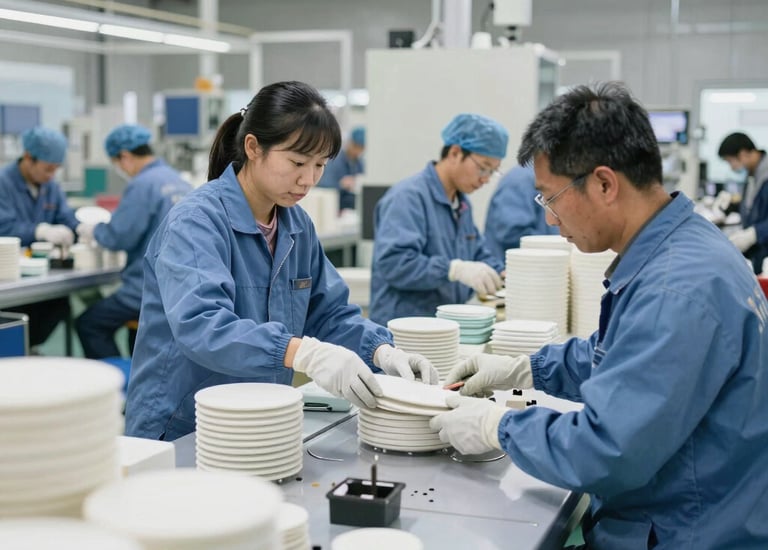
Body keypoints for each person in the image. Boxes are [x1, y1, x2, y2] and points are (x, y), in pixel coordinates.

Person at [430, 83, 768, 549]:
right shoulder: (682, 250)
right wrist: (528, 368)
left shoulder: (677, 289)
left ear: (605, 183)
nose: (549, 218)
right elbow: (626, 354)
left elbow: (606, 448)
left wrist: (497, 427)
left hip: (687, 531)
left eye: (550, 197)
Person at [124, 81, 438, 441]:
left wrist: (382, 350)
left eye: (320, 164)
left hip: (261, 417)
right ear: (253, 147)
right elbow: (203, 327)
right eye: (297, 162)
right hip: (185, 424)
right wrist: (302, 353)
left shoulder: (296, 225)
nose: (309, 180)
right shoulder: (196, 222)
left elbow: (328, 313)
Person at [368, 114, 507, 325]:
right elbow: (393, 264)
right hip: (404, 330)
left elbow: (477, 252)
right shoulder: (408, 198)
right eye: (483, 167)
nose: (486, 179)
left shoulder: (461, 204)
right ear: (454, 152)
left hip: (444, 328)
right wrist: (452, 270)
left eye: (493, 171)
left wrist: (502, 272)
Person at [74, 124, 193, 359]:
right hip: (178, 285)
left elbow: (119, 236)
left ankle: (118, 382)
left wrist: (94, 230)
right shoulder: (178, 181)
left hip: (145, 288)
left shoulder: (143, 184)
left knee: (89, 324)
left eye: (117, 163)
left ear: (125, 157)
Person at [0, 127, 79, 347]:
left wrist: (81, 228)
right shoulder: (3, 183)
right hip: (9, 276)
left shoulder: (50, 186)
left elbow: (66, 218)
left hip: (43, 273)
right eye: (47, 169)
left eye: (56, 169)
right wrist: (40, 231)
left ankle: (29, 349)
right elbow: (4, 227)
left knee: (59, 304)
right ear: (28, 157)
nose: (51, 175)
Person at [483, 164, 559, 262]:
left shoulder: (549, 178)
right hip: (513, 269)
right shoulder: (520, 180)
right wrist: (557, 247)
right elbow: (511, 233)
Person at [718, 132, 768, 274]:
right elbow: (754, 206)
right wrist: (732, 205)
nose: (731, 167)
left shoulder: (766, 175)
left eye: (730, 161)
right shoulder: (753, 173)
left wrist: (755, 233)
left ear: (743, 154)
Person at [316, 125, 365, 212]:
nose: (358, 151)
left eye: (361, 148)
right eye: (356, 146)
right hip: (334, 205)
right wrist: (341, 184)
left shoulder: (359, 163)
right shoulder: (335, 160)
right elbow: (323, 185)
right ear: (350, 142)